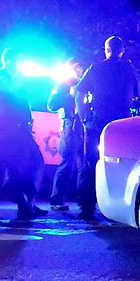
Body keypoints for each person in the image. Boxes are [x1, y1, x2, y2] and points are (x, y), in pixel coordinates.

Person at [75, 36, 140, 220]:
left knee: (90, 164)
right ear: (121, 51)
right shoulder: (129, 70)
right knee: (120, 164)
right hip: (121, 126)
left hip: (97, 124)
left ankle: (86, 207)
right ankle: (117, 207)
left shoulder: (95, 69)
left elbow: (79, 93)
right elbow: (139, 94)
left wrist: (84, 118)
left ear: (106, 49)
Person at [0, 47, 46, 222]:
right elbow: (10, 93)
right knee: (16, 169)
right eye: (19, 61)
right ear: (10, 61)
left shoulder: (13, 79)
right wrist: (20, 78)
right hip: (9, 131)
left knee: (35, 164)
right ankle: (22, 205)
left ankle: (30, 203)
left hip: (22, 130)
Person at [46, 57, 85, 211]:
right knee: (67, 164)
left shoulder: (84, 84)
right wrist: (70, 95)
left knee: (85, 166)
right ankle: (56, 199)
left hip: (84, 129)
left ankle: (84, 202)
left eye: (81, 67)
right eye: (76, 67)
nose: (79, 70)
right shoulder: (62, 85)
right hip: (70, 128)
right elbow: (51, 105)